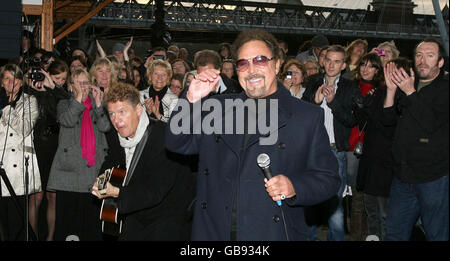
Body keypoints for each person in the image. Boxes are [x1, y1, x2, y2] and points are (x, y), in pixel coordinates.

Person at [165, 29, 340, 241]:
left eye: (260, 60)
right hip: (213, 231)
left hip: (271, 232)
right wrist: (190, 100)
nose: (251, 70)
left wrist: (295, 186)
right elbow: (177, 142)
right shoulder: (218, 108)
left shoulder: (306, 116)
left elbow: (328, 178)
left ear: (276, 65)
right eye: (243, 63)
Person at [91, 82, 195, 240]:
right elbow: (111, 163)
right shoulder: (117, 136)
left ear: (138, 110)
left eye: (122, 112)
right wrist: (101, 182)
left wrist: (117, 192)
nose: (116, 120)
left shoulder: (163, 136)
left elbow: (155, 190)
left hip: (167, 217)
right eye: (112, 114)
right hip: (136, 213)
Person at [383, 38, 448, 241]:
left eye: (430, 56)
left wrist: (410, 91)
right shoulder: (407, 83)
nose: (423, 60)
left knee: (436, 234)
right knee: (394, 234)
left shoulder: (445, 89)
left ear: (440, 62)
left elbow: (430, 123)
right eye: (419, 55)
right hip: (403, 177)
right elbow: (387, 122)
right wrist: (391, 91)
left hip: (433, 178)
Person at [302, 45, 362, 241]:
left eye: (337, 61)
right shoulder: (312, 83)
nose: (331, 64)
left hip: (336, 151)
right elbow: (301, 112)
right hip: (312, 151)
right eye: (328, 60)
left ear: (343, 65)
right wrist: (315, 101)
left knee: (335, 203)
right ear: (323, 61)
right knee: (310, 199)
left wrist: (333, 102)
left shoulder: (350, 87)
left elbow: (352, 120)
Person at [46, 68, 110, 241]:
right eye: (79, 83)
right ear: (70, 86)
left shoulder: (99, 104)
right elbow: (67, 120)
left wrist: (97, 105)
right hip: (69, 172)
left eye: (86, 82)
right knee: (68, 225)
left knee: (91, 225)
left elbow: (105, 127)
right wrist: (79, 100)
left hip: (94, 170)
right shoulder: (64, 104)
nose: (83, 86)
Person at [24, 59, 71, 241]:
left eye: (62, 79)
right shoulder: (32, 93)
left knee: (53, 197)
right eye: (56, 77)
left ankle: (50, 237)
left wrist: (53, 87)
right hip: (36, 149)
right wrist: (31, 84)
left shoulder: (60, 94)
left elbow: (71, 102)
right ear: (47, 75)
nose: (59, 81)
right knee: (36, 197)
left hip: (56, 150)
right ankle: (33, 237)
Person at [0, 64, 40, 241]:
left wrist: (7, 107)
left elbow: (24, 128)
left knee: (17, 221)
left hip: (17, 169)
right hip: (1, 164)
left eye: (15, 78)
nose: (11, 82)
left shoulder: (30, 101)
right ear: (1, 82)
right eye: (7, 78)